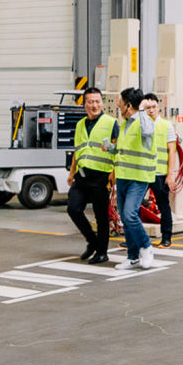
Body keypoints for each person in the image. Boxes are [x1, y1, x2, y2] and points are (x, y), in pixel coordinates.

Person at [66, 86, 119, 264]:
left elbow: (118, 149)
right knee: (73, 209)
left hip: (102, 176)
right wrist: (72, 172)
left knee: (101, 216)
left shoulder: (111, 123)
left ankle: (102, 252)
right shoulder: (80, 124)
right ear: (84, 104)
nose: (94, 105)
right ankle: (92, 241)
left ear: (102, 103)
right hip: (82, 176)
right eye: (90, 102)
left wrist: (114, 173)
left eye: (97, 101)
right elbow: (78, 150)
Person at [113, 86, 157, 270]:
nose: (118, 106)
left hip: (138, 177)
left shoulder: (143, 121)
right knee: (125, 217)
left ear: (128, 105)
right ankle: (132, 257)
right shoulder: (125, 123)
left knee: (130, 214)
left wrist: (142, 110)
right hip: (123, 176)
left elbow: (147, 132)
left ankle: (146, 247)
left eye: (120, 103)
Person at [141, 93, 177, 247]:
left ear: (158, 107)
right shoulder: (140, 124)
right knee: (134, 207)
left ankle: (166, 237)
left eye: (154, 107)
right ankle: (135, 238)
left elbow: (172, 151)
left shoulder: (166, 125)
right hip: (142, 172)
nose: (151, 110)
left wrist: (170, 175)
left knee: (163, 206)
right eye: (147, 107)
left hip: (159, 173)